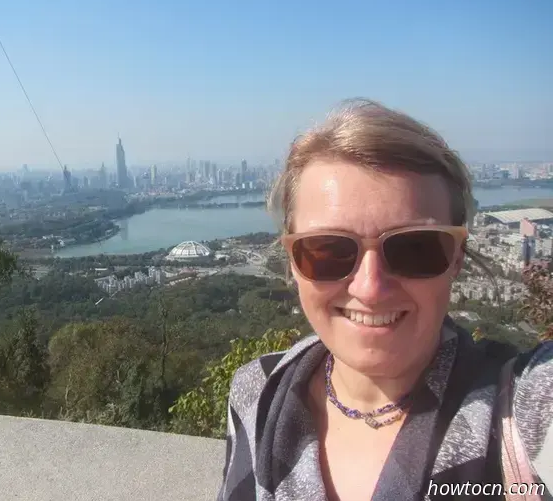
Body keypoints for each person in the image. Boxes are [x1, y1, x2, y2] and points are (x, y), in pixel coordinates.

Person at [216, 99, 553, 501]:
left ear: (456, 257)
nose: (370, 288)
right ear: (292, 261)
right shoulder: (257, 393)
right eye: (328, 250)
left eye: (416, 248)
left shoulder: (522, 406)